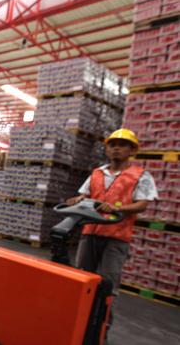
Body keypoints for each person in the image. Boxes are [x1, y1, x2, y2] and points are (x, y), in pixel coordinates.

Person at [66, 128, 158, 330]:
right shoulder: (97, 173)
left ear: (132, 150)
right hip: (90, 233)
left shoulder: (141, 176)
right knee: (83, 278)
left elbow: (142, 204)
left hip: (117, 238)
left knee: (108, 284)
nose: (116, 149)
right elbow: (85, 194)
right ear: (107, 149)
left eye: (122, 145)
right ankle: (79, 323)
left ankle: (101, 328)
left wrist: (118, 208)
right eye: (113, 144)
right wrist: (79, 199)